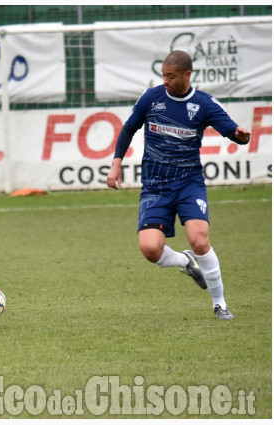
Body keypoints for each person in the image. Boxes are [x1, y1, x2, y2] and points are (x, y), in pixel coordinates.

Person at [106, 50, 251, 320]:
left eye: (171, 76)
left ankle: (219, 304)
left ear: (187, 74)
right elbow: (128, 129)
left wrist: (240, 136)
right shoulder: (152, 98)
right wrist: (116, 164)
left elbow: (234, 131)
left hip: (188, 183)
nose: (166, 81)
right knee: (151, 250)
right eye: (163, 75)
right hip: (155, 186)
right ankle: (185, 261)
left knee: (199, 239)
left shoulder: (204, 104)